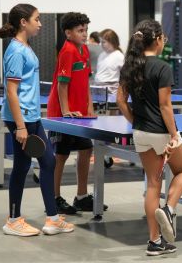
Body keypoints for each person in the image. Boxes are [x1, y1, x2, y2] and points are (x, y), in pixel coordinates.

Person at [0, 4, 74, 236]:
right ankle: (14, 220)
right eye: (37, 19)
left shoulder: (25, 47)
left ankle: (50, 218)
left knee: (40, 164)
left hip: (31, 116)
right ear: (24, 22)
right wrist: (20, 126)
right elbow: (11, 92)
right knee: (32, 165)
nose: (40, 23)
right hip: (21, 118)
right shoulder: (16, 51)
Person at [117, 19, 182, 256]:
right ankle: (169, 210)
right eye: (163, 39)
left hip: (141, 133)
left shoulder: (130, 66)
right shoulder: (162, 67)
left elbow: (120, 101)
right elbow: (165, 106)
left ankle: (155, 241)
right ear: (158, 40)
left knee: (153, 184)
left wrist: (135, 122)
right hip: (161, 132)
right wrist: (174, 135)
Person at [47, 12, 108, 214]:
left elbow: (85, 82)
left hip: (81, 115)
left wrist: (89, 105)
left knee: (86, 150)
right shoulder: (68, 51)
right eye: (80, 30)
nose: (84, 34)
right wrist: (65, 112)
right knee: (61, 156)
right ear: (68, 33)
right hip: (63, 115)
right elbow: (62, 86)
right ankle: (54, 198)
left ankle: (81, 197)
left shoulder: (83, 51)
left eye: (85, 30)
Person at [94, 29, 124, 94]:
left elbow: (125, 76)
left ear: (112, 42)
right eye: (100, 42)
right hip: (99, 90)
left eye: (103, 42)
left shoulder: (119, 56)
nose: (101, 44)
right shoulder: (101, 55)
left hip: (112, 92)